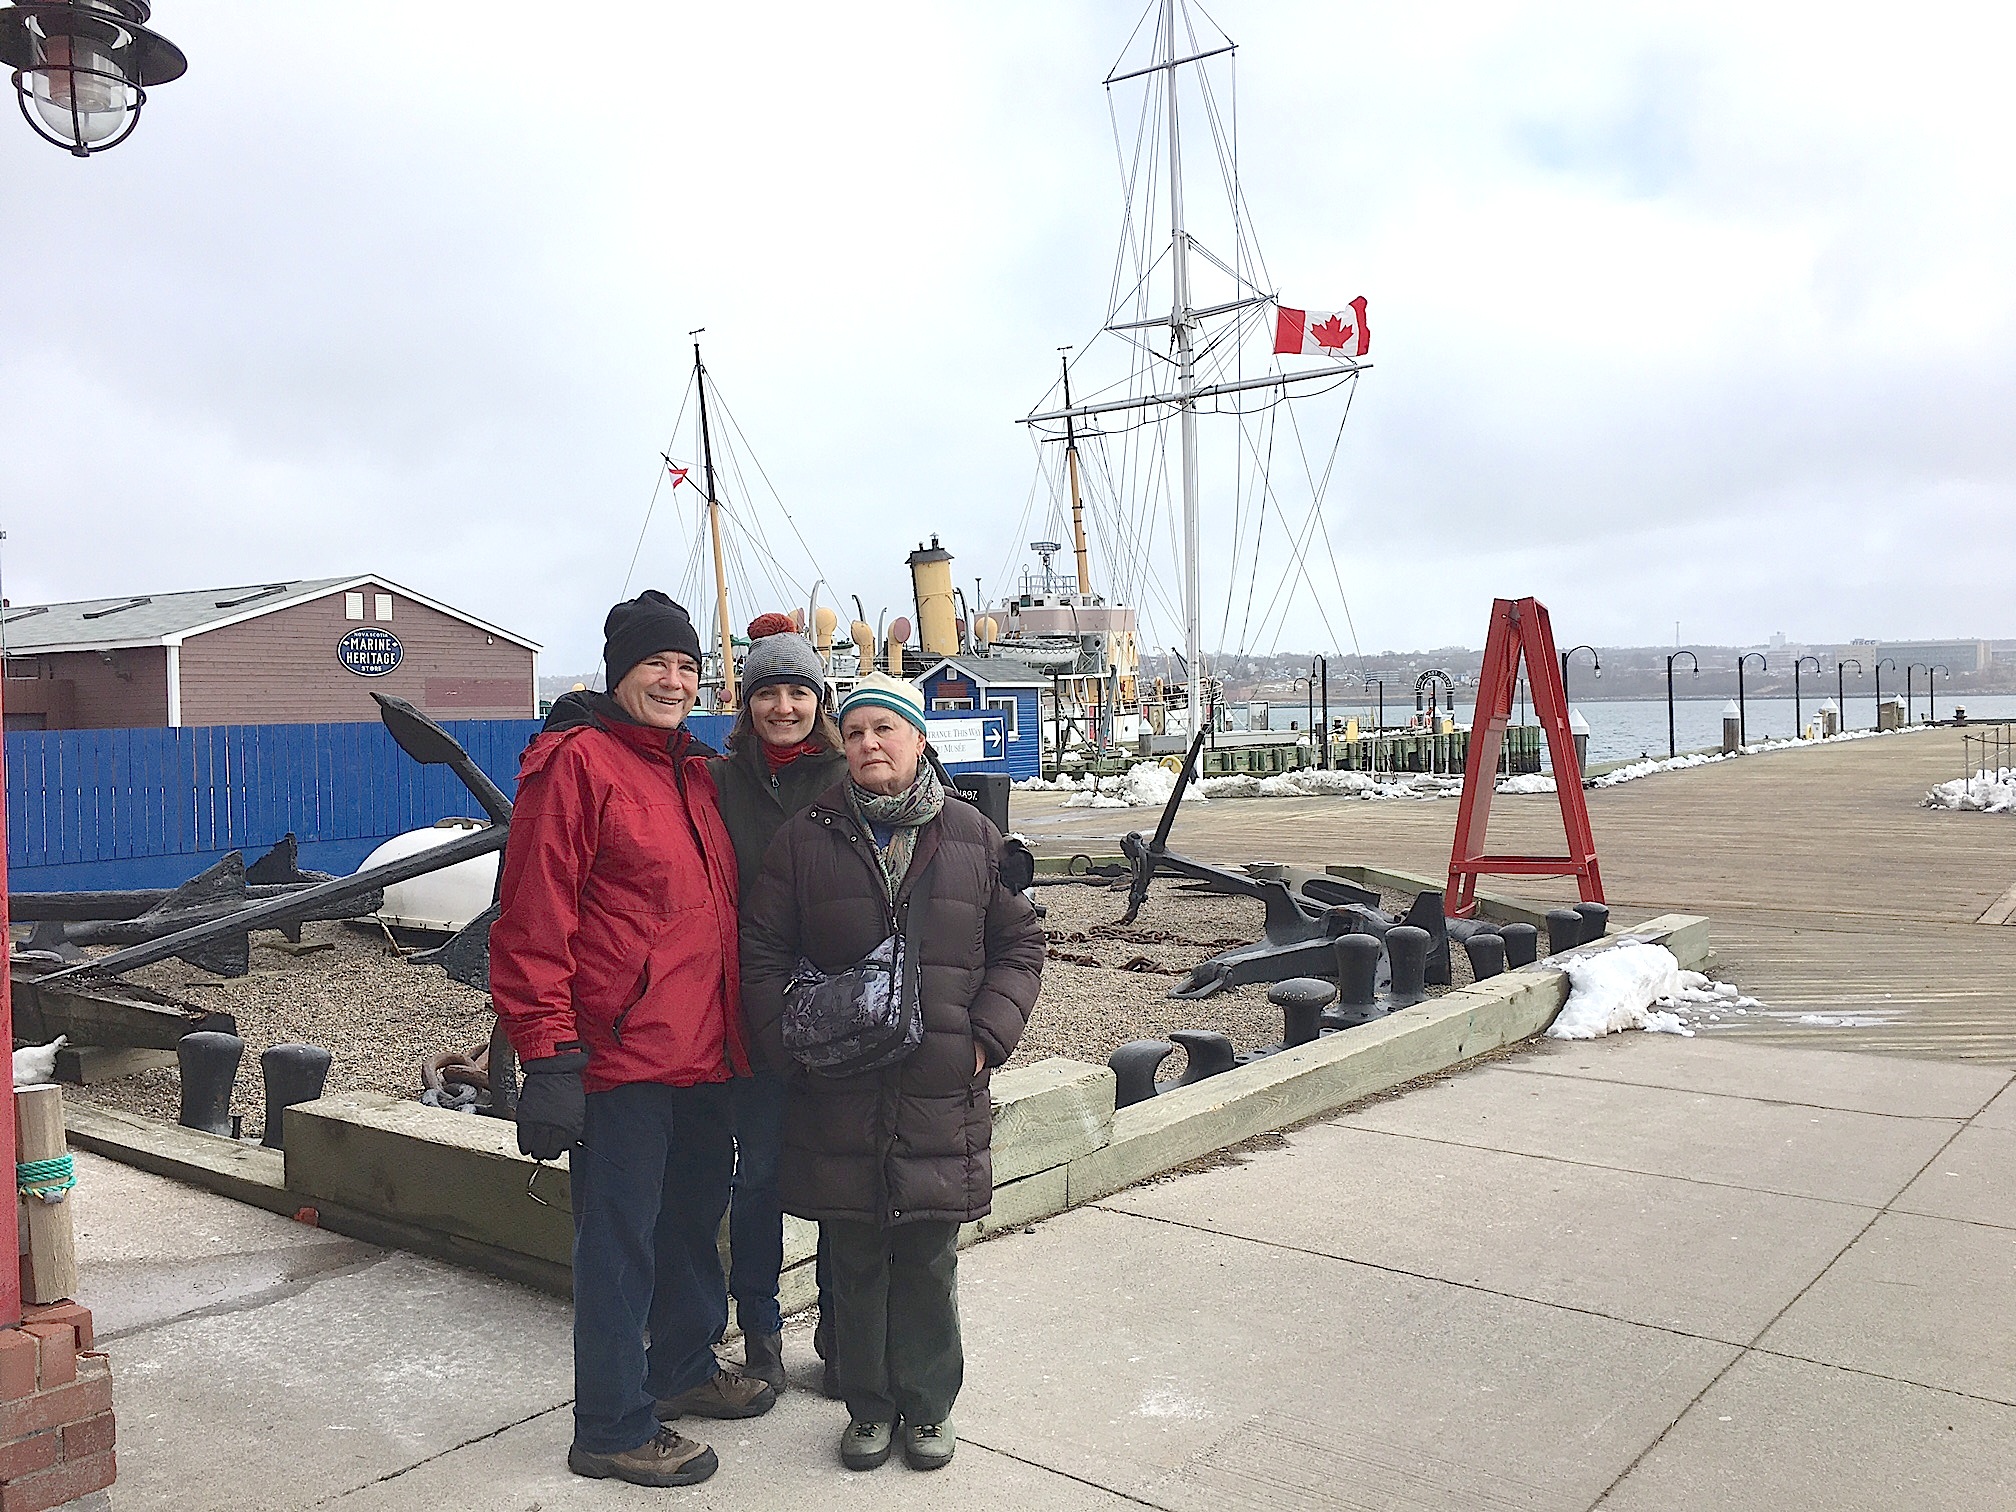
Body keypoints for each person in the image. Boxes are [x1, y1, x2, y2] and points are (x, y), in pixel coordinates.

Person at [490, 589, 776, 1491]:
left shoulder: (689, 771)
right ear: (619, 671)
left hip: (700, 1055)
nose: (675, 678)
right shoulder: (576, 765)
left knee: (693, 1223)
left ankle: (682, 1370)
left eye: (689, 665)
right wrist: (548, 1052)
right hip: (618, 1059)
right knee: (618, 1247)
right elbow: (534, 916)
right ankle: (612, 1423)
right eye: (658, 662)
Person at [741, 672, 1044, 1473]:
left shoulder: (974, 838)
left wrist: (986, 1036)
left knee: (929, 1259)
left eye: (887, 730)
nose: (871, 744)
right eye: (858, 732)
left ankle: (930, 1407)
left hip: (940, 1085)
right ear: (843, 745)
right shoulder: (807, 838)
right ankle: (869, 1408)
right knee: (856, 1259)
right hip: (838, 1085)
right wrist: (788, 1046)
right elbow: (762, 950)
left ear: (918, 741)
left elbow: (1022, 946)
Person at [707, 613, 848, 1395]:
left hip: (834, 1008)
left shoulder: (842, 779)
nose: (784, 707)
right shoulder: (722, 782)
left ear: (816, 701)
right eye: (770, 692)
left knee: (831, 1172)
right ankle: (760, 1326)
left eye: (799, 691)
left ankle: (837, 1323)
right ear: (748, 703)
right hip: (753, 1007)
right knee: (756, 1174)